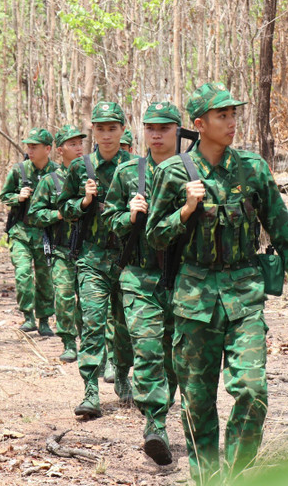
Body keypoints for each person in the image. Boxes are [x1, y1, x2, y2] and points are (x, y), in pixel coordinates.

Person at [146, 83, 288, 484]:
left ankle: (237, 475)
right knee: (197, 401)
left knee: (252, 391)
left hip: (244, 294)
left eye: (234, 114)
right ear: (200, 125)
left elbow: (283, 228)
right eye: (223, 116)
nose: (232, 122)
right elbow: (154, 236)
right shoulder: (173, 173)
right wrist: (185, 210)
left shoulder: (252, 168)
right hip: (194, 299)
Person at [103, 102, 181, 466]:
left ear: (178, 131)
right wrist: (127, 214)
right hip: (139, 276)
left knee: (173, 357)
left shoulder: (194, 171)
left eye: (164, 127)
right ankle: (155, 425)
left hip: (183, 278)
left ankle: (162, 409)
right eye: (150, 127)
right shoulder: (126, 172)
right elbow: (106, 220)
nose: (156, 133)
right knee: (148, 350)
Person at [57, 102, 135, 418]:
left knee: (125, 325)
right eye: (100, 128)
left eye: (112, 128)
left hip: (127, 259)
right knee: (92, 322)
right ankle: (90, 391)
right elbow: (64, 209)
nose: (106, 135)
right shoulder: (80, 168)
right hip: (91, 258)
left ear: (122, 130)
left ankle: (124, 378)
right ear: (93, 131)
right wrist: (84, 201)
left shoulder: (136, 166)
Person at [28, 124, 87, 362]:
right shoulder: (50, 181)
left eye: (80, 143)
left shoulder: (91, 175)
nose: (79, 148)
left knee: (88, 300)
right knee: (63, 296)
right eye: (72, 144)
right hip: (62, 249)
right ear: (60, 150)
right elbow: (34, 214)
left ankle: (89, 343)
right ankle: (69, 342)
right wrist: (58, 216)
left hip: (89, 250)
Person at [0, 128, 56, 336]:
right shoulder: (19, 170)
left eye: (35, 146)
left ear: (47, 149)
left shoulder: (57, 173)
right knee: (23, 273)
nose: (30, 150)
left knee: (45, 278)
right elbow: (4, 196)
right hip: (21, 232)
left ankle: (45, 320)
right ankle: (28, 317)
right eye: (28, 147)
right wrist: (18, 197)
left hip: (46, 234)